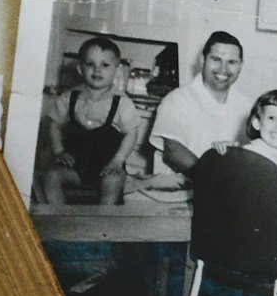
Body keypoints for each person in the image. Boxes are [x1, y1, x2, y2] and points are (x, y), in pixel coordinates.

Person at [34, 34, 141, 207]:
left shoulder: (122, 103)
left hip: (107, 168)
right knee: (51, 175)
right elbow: (54, 125)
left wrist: (118, 160)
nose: (97, 70)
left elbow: (131, 133)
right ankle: (60, 216)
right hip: (74, 168)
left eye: (105, 65)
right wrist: (59, 151)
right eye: (90, 64)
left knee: (114, 181)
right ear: (80, 68)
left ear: (117, 70)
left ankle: (102, 219)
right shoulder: (69, 97)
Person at [147, 30, 248, 183]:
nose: (223, 69)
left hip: (222, 190)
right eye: (216, 59)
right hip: (176, 189)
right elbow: (173, 151)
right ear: (202, 60)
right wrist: (211, 180)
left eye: (231, 62)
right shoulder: (178, 99)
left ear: (240, 66)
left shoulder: (245, 106)